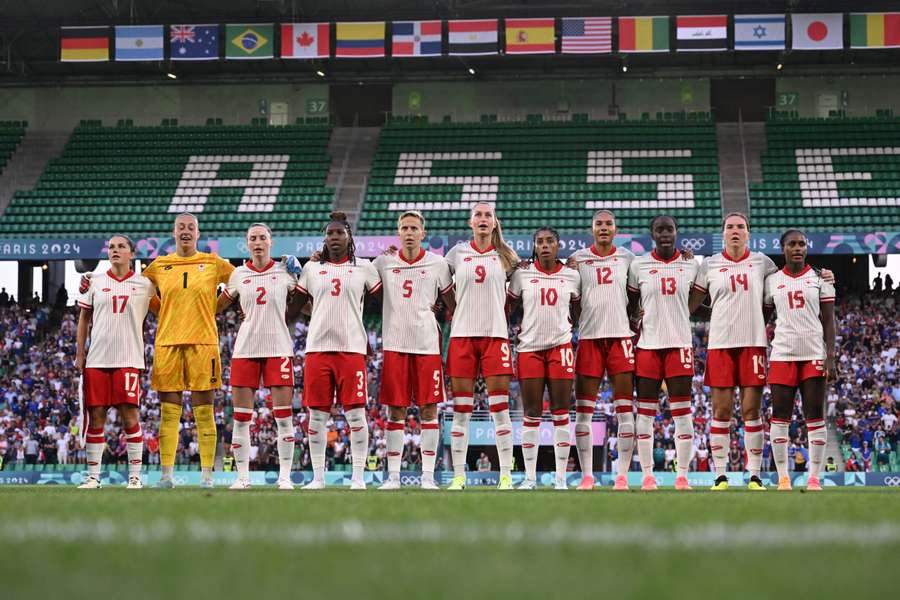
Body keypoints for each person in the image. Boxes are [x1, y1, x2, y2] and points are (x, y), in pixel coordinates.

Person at [141, 213, 235, 488]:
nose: (185, 231)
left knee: (204, 411)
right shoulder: (160, 264)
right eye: (181, 227)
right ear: (174, 232)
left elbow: (241, 280)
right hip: (167, 342)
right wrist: (162, 310)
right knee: (169, 412)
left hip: (203, 343)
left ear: (198, 233)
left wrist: (218, 305)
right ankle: (166, 476)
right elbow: (142, 292)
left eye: (190, 227)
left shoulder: (212, 262)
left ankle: (207, 476)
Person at [291, 212, 381, 490]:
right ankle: (317, 477)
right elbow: (296, 308)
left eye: (339, 233)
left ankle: (358, 477)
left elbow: (384, 301)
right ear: (324, 239)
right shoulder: (311, 269)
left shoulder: (365, 268)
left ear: (349, 236)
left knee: (356, 415)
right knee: (317, 416)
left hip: (351, 350)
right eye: (329, 233)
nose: (334, 237)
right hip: (317, 348)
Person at [689, 213, 778, 491]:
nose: (735, 231)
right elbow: (690, 304)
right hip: (720, 345)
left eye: (741, 227)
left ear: (748, 233)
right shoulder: (710, 265)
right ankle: (720, 475)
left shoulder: (763, 262)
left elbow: (781, 291)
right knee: (721, 411)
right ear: (723, 233)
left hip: (753, 343)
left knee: (752, 410)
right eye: (730, 227)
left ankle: (754, 476)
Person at [373, 210, 454, 491]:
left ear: (423, 233)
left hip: (427, 346)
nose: (409, 232)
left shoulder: (438, 264)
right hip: (395, 345)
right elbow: (357, 277)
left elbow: (451, 301)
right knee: (395, 411)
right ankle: (393, 477)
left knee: (429, 411)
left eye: (413, 228)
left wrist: (441, 308)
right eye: (404, 228)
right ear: (398, 232)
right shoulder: (383, 261)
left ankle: (428, 477)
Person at [445, 203, 520, 491]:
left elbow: (519, 289)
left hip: (495, 337)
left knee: (500, 409)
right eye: (478, 215)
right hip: (463, 336)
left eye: (488, 215)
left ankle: (505, 476)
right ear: (470, 222)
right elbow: (439, 285)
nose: (483, 219)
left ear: (494, 222)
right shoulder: (455, 254)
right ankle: (459, 476)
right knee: (461, 409)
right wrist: (458, 310)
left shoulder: (507, 257)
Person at [217, 223, 298, 490]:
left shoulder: (285, 271)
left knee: (284, 417)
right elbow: (218, 306)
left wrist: (303, 275)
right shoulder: (239, 274)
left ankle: (285, 476)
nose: (258, 242)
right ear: (247, 244)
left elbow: (306, 305)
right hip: (246, 350)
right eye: (253, 238)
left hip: (279, 349)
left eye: (263, 237)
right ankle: (242, 478)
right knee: (241, 418)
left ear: (271, 242)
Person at [74, 234, 154, 489]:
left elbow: (164, 311)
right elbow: (84, 319)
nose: (115, 250)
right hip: (97, 359)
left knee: (130, 417)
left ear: (132, 253)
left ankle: (135, 477)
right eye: (111, 247)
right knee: (96, 417)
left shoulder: (145, 284)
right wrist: (79, 353)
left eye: (121, 246)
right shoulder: (95, 282)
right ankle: (93, 477)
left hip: (129, 358)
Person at [627, 215, 700, 491]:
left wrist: (686, 311)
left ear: (676, 232)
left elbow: (701, 294)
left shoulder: (691, 264)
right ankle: (648, 476)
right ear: (652, 234)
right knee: (644, 414)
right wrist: (636, 315)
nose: (665, 233)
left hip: (680, 345)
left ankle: (682, 476)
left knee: (682, 414)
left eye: (669, 229)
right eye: (660, 229)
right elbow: (632, 303)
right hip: (647, 346)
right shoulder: (639, 265)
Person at [567, 210, 636, 490]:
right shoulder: (578, 260)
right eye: (599, 224)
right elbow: (570, 296)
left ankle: (621, 476)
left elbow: (635, 295)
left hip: (620, 338)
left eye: (608, 224)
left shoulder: (629, 259)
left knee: (625, 411)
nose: (604, 228)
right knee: (583, 412)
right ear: (592, 229)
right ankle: (587, 476)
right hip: (590, 339)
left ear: (615, 229)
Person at [507, 227, 580, 490]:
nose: (545, 245)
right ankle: (529, 477)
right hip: (529, 349)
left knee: (561, 413)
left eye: (550, 241)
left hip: (560, 348)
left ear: (558, 245)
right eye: (540, 242)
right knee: (531, 414)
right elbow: (508, 306)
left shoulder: (572, 275)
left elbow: (579, 310)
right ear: (535, 246)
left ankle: (561, 478)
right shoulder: (522, 274)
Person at [764, 229, 836, 492]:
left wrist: (831, 357)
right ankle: (783, 477)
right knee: (780, 417)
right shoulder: (771, 280)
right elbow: (762, 317)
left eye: (802, 244)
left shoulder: (821, 278)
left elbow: (829, 320)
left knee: (815, 416)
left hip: (813, 354)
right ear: (782, 248)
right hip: (783, 353)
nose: (797, 248)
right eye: (792, 244)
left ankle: (814, 478)